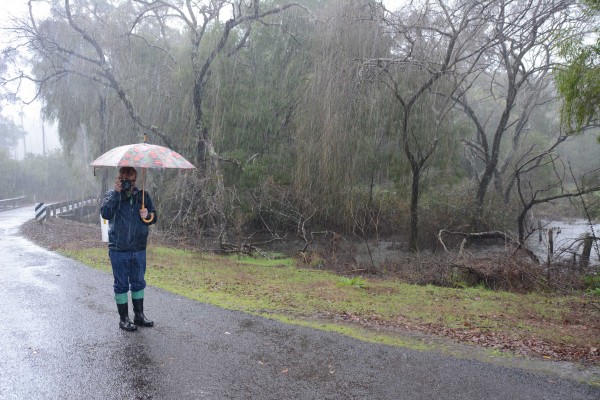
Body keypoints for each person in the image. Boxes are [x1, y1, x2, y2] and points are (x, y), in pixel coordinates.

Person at [100, 166, 157, 331]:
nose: (129, 184)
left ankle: (139, 316)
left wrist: (147, 216)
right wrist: (117, 194)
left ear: (135, 179)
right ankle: (123, 319)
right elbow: (105, 214)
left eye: (131, 181)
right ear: (119, 179)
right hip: (119, 249)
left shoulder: (143, 196)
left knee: (139, 282)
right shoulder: (112, 195)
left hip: (139, 248)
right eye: (125, 181)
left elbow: (154, 216)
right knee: (121, 285)